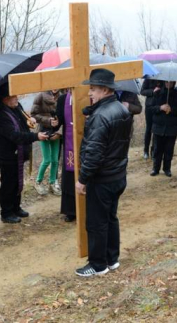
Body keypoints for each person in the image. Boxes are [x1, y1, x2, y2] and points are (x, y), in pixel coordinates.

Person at [74, 68, 132, 277]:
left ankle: (98, 265)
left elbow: (94, 154)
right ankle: (112, 259)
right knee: (110, 218)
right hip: (118, 175)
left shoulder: (100, 116)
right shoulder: (122, 109)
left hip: (103, 178)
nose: (90, 93)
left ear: (105, 90)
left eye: (93, 89)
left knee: (97, 222)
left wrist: (82, 180)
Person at [0, 84, 48, 224]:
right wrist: (36, 136)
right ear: (5, 99)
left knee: (17, 182)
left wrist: (31, 120)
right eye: (14, 96)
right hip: (7, 155)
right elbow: (15, 135)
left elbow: (24, 122)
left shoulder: (16, 108)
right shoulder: (0, 116)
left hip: (19, 153)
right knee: (8, 184)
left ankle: (16, 207)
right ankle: (6, 212)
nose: (17, 98)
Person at [149, 81, 177, 177]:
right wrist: (160, 108)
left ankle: (167, 168)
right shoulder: (157, 93)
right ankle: (155, 168)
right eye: (166, 81)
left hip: (172, 127)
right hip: (158, 126)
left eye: (170, 82)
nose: (168, 83)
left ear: (174, 82)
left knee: (169, 149)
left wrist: (172, 109)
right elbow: (151, 108)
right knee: (157, 149)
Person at [31, 89, 62, 196]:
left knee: (55, 160)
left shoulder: (62, 97)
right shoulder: (40, 96)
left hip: (57, 132)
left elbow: (65, 116)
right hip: (43, 131)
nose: (54, 87)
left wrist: (59, 131)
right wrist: (48, 120)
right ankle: (38, 182)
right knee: (47, 159)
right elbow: (34, 115)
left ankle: (52, 183)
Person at [56, 89, 76, 222]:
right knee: (70, 176)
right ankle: (71, 210)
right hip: (70, 143)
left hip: (88, 142)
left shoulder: (90, 96)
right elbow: (59, 120)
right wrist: (54, 124)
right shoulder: (63, 99)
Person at [140, 79, 163, 160]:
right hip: (149, 107)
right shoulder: (148, 79)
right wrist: (153, 91)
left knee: (156, 129)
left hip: (159, 107)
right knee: (149, 129)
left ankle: (153, 151)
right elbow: (142, 91)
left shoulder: (163, 79)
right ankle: (145, 150)